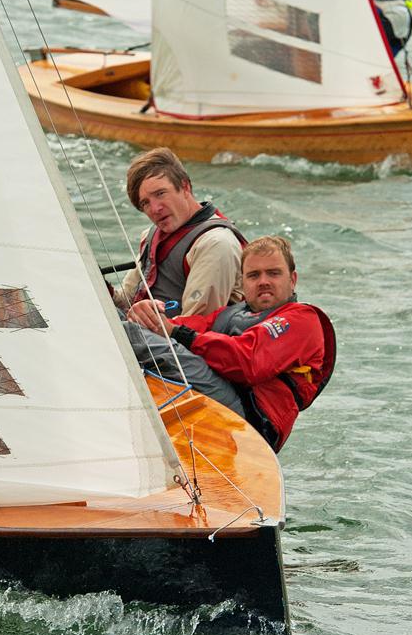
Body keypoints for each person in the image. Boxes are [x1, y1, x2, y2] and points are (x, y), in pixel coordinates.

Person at [124, 236, 336, 452]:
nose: (263, 281)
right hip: (221, 394)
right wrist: (148, 315)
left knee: (133, 335)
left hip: (250, 418)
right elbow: (177, 325)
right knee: (128, 323)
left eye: (273, 273)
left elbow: (248, 362)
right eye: (254, 275)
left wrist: (175, 332)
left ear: (292, 280)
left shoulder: (302, 319)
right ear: (243, 283)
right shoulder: (231, 314)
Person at [109, 147, 246, 323]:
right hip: (145, 333)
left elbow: (195, 325)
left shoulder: (216, 244)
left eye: (160, 194)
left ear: (185, 187)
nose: (155, 209)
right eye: (145, 203)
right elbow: (126, 300)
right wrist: (106, 290)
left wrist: (141, 323)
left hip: (176, 346)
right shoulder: (151, 236)